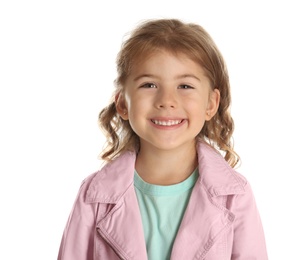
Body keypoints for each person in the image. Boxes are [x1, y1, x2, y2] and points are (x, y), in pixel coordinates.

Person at [57, 18, 268, 260]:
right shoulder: (93, 196)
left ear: (211, 104)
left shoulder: (235, 196)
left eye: (185, 86)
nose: (167, 100)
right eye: (149, 84)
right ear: (123, 103)